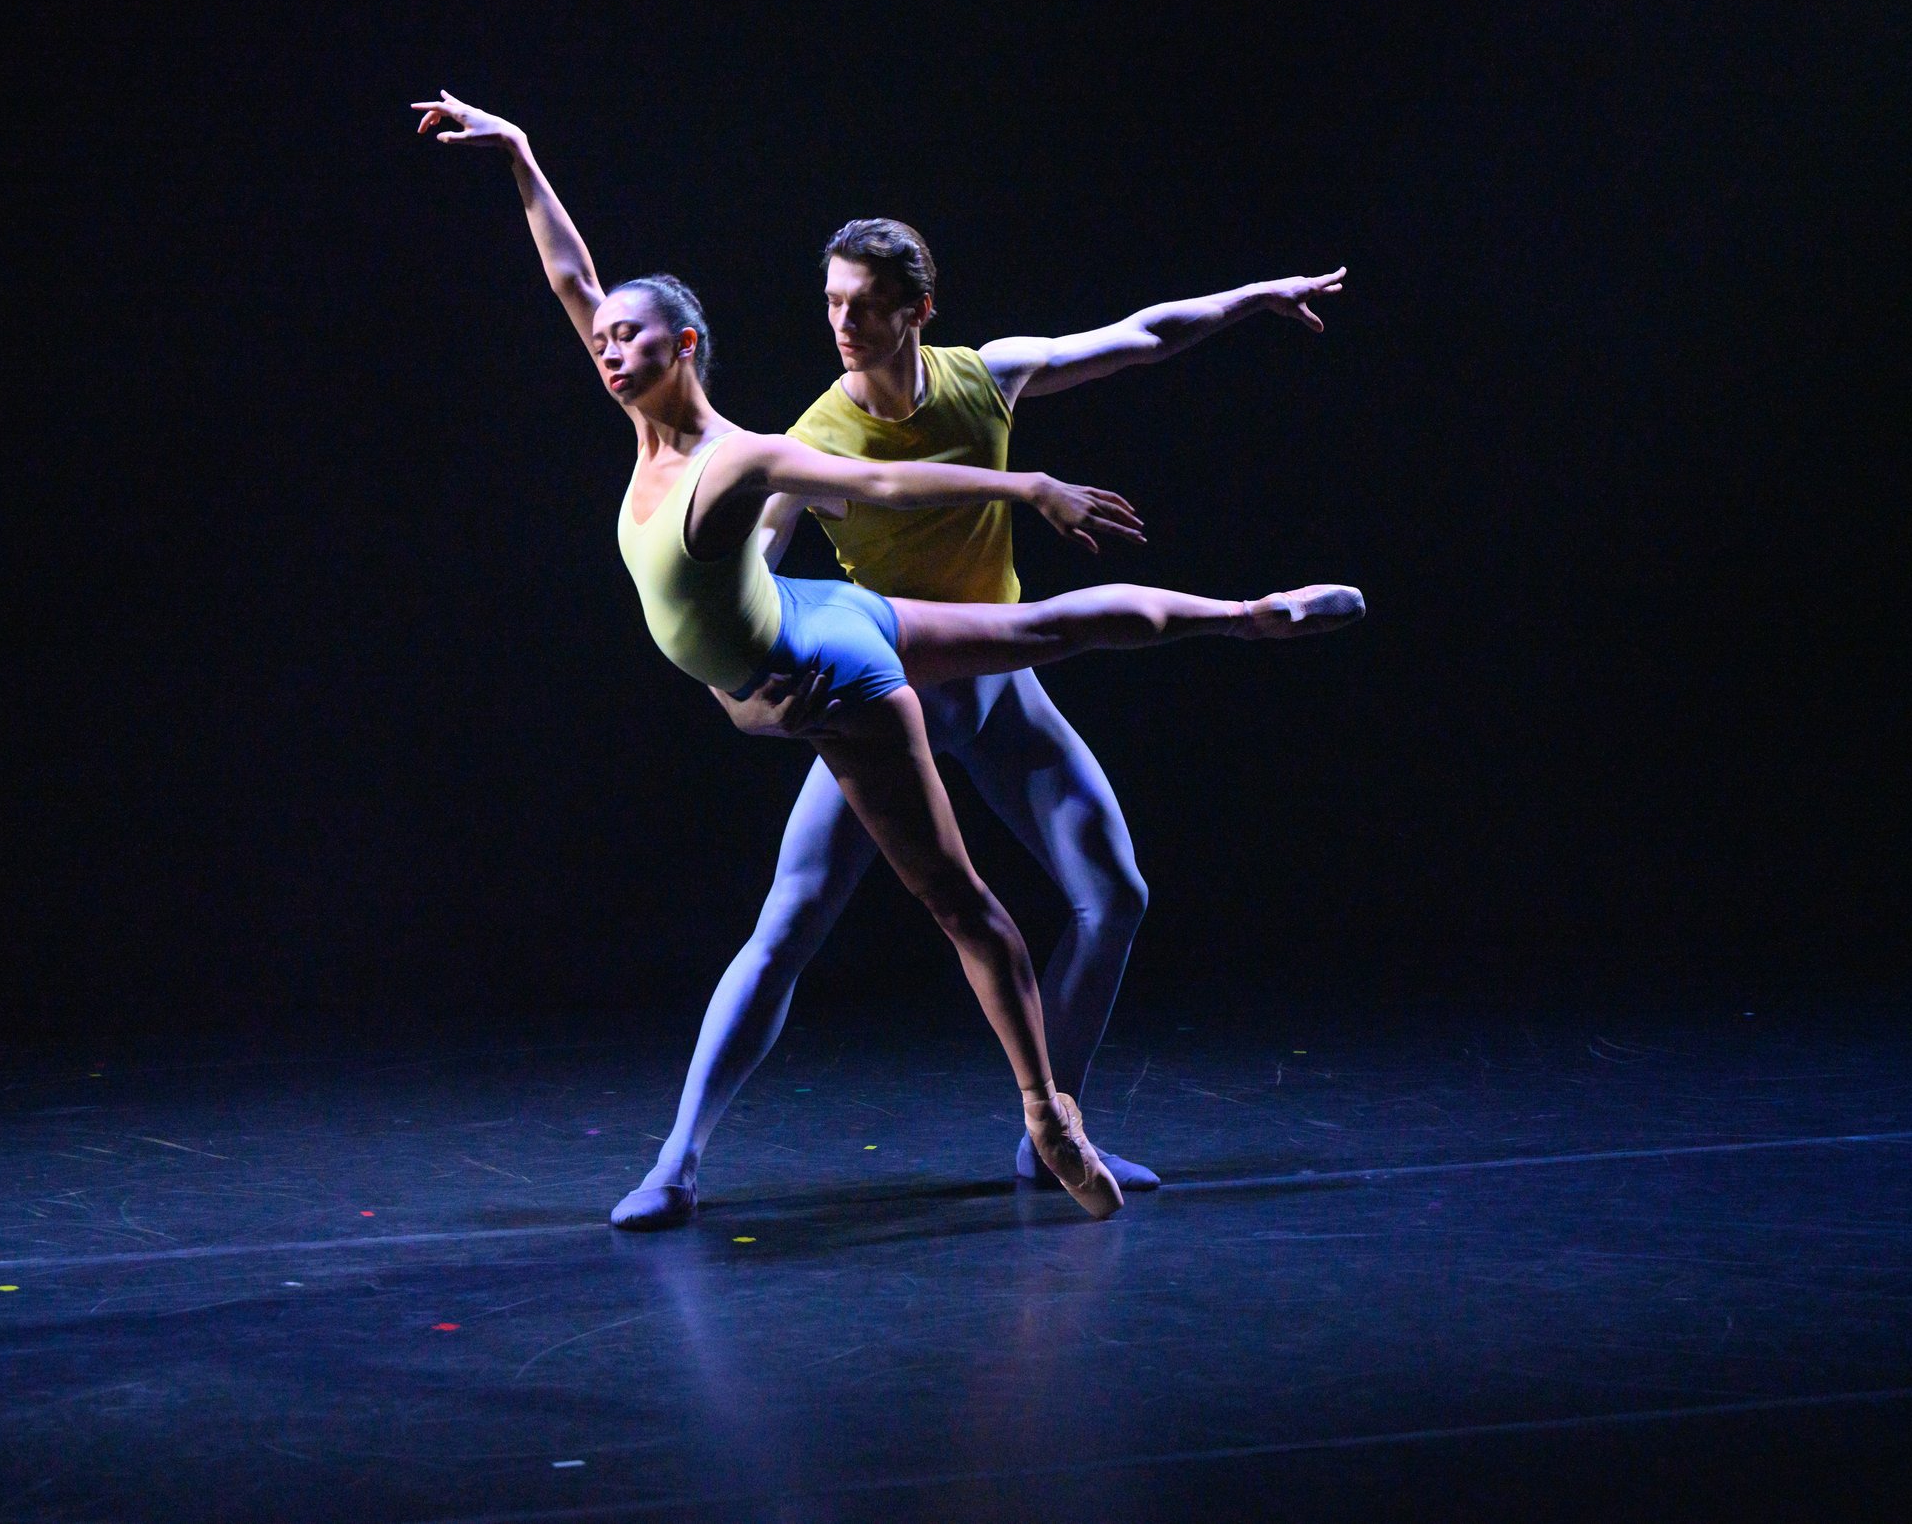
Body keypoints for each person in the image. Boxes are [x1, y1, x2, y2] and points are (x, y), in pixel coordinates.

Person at [416, 91, 1361, 1222]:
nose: (842, 326)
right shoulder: (798, 438)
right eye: (830, 306)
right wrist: (752, 695)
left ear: (919, 309)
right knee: (791, 922)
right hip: (876, 679)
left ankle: (1048, 1118)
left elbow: (1141, 334)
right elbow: (754, 578)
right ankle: (677, 1156)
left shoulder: (986, 375)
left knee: (1112, 889)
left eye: (864, 307)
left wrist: (1256, 297)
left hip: (989, 690)